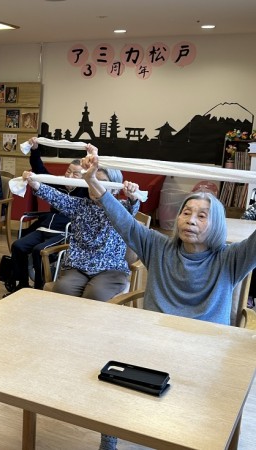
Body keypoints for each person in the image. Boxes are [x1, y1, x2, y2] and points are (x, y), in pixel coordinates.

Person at [81, 149, 256, 450]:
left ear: (216, 224)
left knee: (204, 408)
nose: (191, 220)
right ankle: (109, 440)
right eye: (186, 212)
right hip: (153, 342)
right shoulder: (158, 246)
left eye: (202, 216)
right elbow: (122, 220)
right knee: (111, 375)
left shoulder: (230, 259)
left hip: (205, 353)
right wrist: (90, 179)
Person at [22, 147, 140, 301]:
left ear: (115, 189)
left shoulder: (121, 208)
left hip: (110, 269)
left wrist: (133, 196)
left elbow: (132, 208)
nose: (95, 186)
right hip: (78, 266)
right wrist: (33, 182)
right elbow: (56, 196)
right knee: (61, 290)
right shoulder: (80, 205)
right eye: (92, 181)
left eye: (102, 183)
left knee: (95, 295)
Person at [10, 137, 89, 291]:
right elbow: (39, 169)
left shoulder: (86, 192)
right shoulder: (58, 183)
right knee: (18, 246)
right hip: (45, 227)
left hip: (64, 232)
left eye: (75, 174)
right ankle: (22, 284)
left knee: (39, 250)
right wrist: (34, 149)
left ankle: (40, 288)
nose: (69, 176)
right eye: (68, 171)